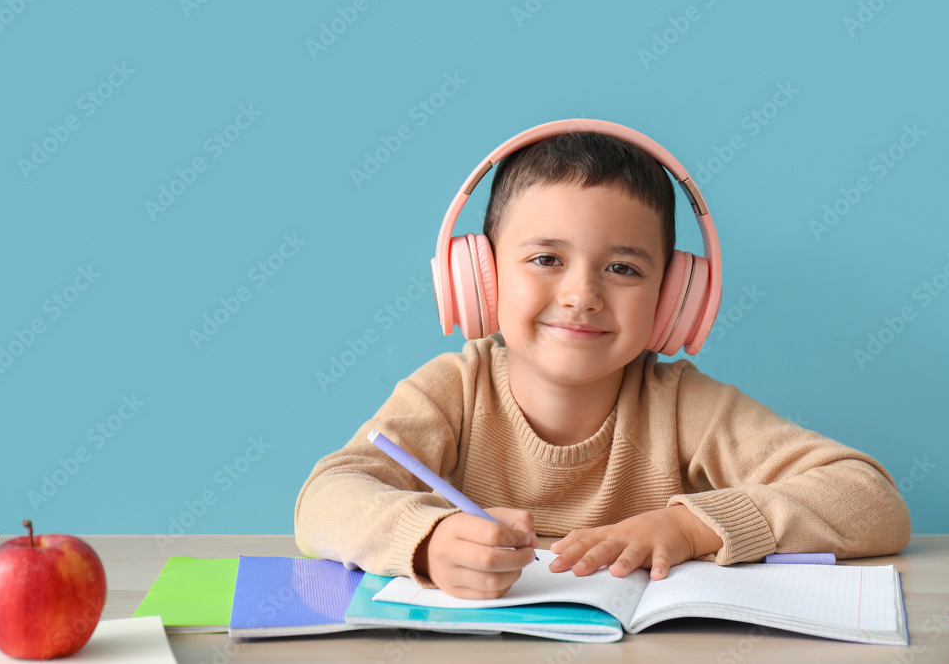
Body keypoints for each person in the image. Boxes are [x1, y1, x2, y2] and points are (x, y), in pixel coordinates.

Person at [294, 123, 911, 600]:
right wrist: (425, 542)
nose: (581, 295)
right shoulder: (453, 391)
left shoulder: (686, 407)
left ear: (672, 300)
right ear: (481, 281)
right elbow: (325, 498)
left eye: (623, 268)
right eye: (545, 259)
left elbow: (871, 501)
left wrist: (689, 529)